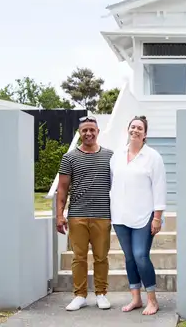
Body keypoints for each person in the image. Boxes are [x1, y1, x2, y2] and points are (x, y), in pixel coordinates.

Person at [109, 116, 167, 316]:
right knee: (129, 258)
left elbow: (159, 188)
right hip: (120, 217)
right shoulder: (117, 156)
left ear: (145, 134)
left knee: (141, 256)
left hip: (144, 217)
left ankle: (152, 300)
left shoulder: (153, 157)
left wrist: (157, 217)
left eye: (139, 128)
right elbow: (112, 185)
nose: (135, 130)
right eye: (132, 126)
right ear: (128, 130)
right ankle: (136, 298)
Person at [56, 115, 114, 311]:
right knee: (78, 257)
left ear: (98, 132)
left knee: (101, 257)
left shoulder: (110, 156)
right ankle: (79, 295)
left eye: (92, 130)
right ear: (79, 133)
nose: (88, 133)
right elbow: (62, 188)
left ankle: (101, 294)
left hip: (102, 215)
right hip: (77, 215)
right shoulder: (69, 157)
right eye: (84, 130)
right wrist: (59, 215)